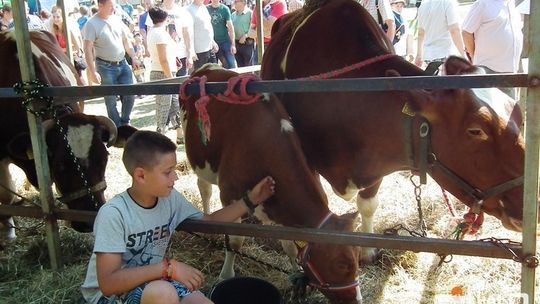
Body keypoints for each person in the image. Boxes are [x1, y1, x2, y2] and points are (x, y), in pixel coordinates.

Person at [81, 130, 276, 304]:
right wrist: (168, 269)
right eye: (168, 172)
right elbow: (108, 284)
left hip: (152, 282)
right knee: (163, 294)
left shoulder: (170, 200)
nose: (176, 177)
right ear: (140, 176)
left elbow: (208, 222)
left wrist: (250, 200)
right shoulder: (115, 214)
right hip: (111, 297)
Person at [83, 0, 140, 126]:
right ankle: (117, 126)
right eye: (111, 6)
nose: (113, 9)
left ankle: (125, 122)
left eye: (114, 6)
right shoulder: (91, 24)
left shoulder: (116, 19)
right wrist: (92, 72)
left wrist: (134, 57)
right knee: (110, 100)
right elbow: (87, 49)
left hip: (123, 63)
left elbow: (126, 41)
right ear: (100, 6)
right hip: (105, 66)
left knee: (130, 94)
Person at [146, 7, 183, 143]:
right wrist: (170, 76)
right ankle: (159, 137)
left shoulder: (155, 32)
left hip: (165, 71)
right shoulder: (159, 33)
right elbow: (163, 59)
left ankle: (180, 135)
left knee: (174, 105)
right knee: (163, 107)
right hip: (163, 73)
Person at [462, 0, 523, 74]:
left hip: (510, 70)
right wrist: (473, 56)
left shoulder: (512, 5)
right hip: (487, 68)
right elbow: (466, 32)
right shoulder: (483, 3)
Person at [145, 0, 194, 76]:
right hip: (161, 60)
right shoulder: (155, 11)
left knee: (182, 85)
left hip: (180, 55)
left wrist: (189, 54)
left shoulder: (182, 11)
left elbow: (186, 34)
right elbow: (149, 33)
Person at [414, 0, 465, 70]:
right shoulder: (449, 3)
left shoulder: (422, 6)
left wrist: (419, 54)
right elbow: (454, 30)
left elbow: (421, 32)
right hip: (446, 55)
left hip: (428, 56)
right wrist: (463, 55)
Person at [187, 0, 217, 71]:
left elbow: (207, 25)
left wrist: (213, 42)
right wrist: (191, 51)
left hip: (210, 48)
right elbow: (188, 32)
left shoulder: (203, 7)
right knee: (200, 77)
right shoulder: (188, 10)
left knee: (215, 74)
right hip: (199, 51)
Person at [207, 0, 237, 69]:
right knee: (213, 68)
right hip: (212, 43)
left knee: (231, 65)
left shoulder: (225, 9)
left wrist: (233, 45)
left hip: (225, 41)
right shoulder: (206, 9)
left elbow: (230, 27)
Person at [231, 0, 254, 67]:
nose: (234, 3)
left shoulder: (250, 13)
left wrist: (245, 36)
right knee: (240, 66)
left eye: (236, 1)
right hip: (236, 43)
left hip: (247, 43)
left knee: (248, 66)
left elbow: (253, 27)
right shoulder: (233, 14)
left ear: (243, 2)